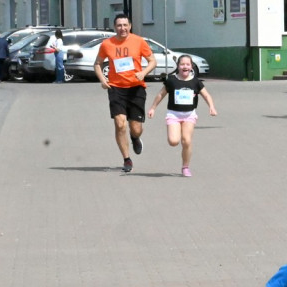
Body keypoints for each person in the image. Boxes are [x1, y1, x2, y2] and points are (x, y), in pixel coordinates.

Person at [93, 13, 157, 173]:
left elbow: (152, 61)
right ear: (115, 27)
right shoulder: (107, 44)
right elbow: (97, 64)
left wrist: (143, 73)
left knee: (135, 128)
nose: (122, 28)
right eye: (119, 25)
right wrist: (103, 80)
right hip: (116, 88)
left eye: (125, 25)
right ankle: (127, 159)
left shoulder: (139, 41)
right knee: (120, 123)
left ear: (130, 26)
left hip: (136, 87)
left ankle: (135, 138)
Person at [146, 55, 218, 177]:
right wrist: (153, 108)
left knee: (187, 141)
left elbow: (206, 95)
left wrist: (211, 107)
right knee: (174, 141)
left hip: (189, 115)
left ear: (191, 67)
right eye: (182, 64)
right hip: (174, 114)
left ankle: (185, 167)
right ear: (178, 66)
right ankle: (175, 131)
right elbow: (160, 95)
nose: (185, 66)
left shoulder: (196, 82)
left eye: (188, 64)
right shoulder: (172, 81)